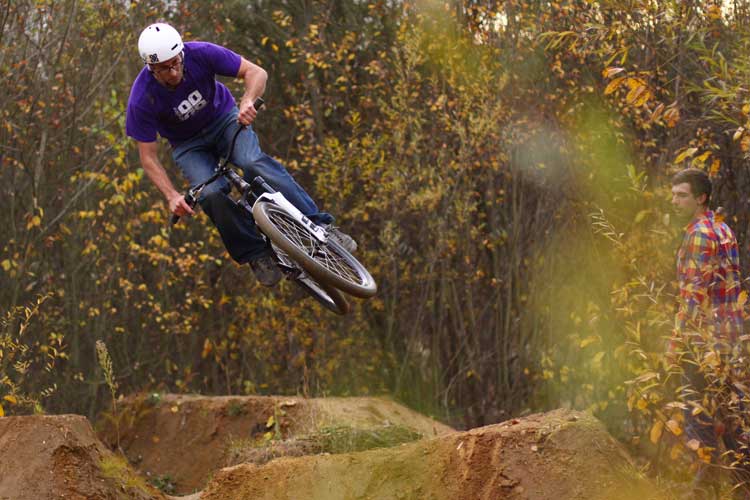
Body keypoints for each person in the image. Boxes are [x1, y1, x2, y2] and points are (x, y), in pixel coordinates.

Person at [125, 22, 356, 287]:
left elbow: (255, 72)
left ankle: (321, 227)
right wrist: (171, 195)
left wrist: (247, 100)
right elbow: (148, 157)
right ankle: (256, 254)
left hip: (223, 120)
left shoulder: (201, 53)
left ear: (182, 54)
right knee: (210, 195)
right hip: (188, 146)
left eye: (176, 62)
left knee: (252, 162)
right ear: (150, 67)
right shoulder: (142, 98)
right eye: (164, 68)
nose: (173, 71)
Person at [670, 168, 747, 498]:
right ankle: (741, 486)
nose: (674, 201)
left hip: (703, 341)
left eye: (682, 195)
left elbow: (693, 293)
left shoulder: (700, 233)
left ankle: (703, 491)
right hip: (729, 339)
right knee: (731, 415)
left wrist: (676, 341)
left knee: (697, 414)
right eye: (673, 194)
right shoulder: (723, 228)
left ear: (701, 198)